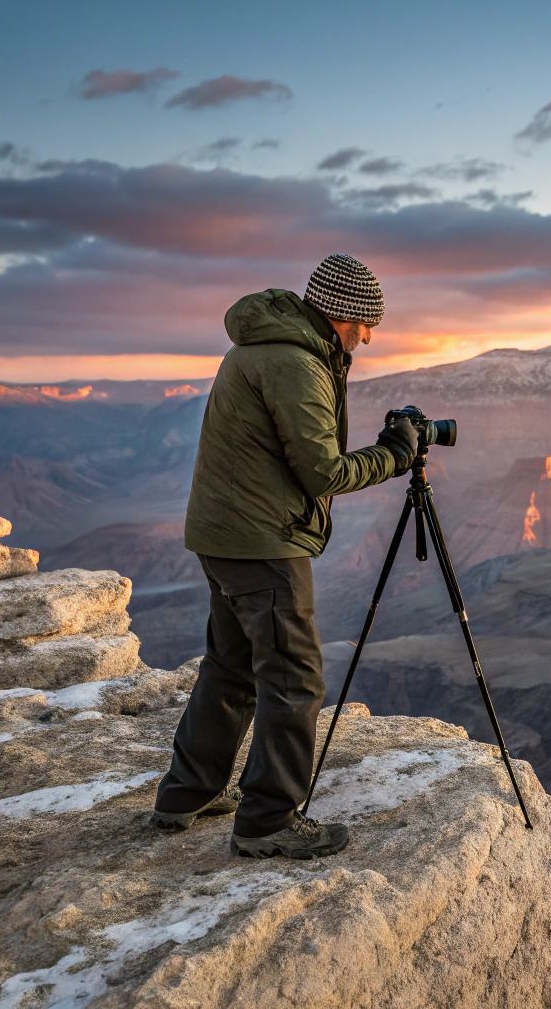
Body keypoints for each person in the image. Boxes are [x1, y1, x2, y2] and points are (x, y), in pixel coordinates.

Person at [151, 254, 418, 859]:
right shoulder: (296, 363)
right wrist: (394, 456)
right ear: (337, 313)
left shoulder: (257, 347)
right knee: (295, 678)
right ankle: (268, 820)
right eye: (363, 324)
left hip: (223, 534)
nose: (367, 337)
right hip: (262, 542)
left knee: (231, 665)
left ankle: (187, 791)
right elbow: (323, 471)